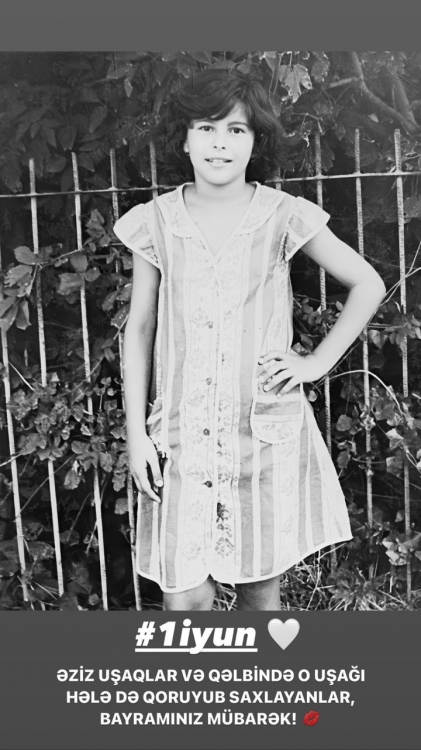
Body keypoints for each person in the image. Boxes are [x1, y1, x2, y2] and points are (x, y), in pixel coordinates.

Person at [113, 69, 386, 611]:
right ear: (184, 139)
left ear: (255, 142)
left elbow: (368, 284)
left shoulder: (281, 215)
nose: (220, 143)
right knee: (184, 598)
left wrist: (315, 363)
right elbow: (140, 328)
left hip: (260, 438)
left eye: (236, 130)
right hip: (181, 438)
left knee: (260, 592)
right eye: (206, 128)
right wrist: (136, 433)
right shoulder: (156, 222)